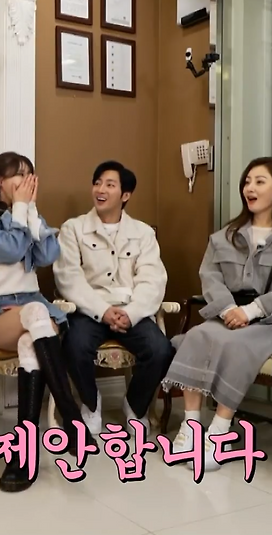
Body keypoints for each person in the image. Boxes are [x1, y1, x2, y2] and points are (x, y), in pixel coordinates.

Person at [162, 157, 272, 473]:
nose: (249, 188)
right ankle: (191, 425)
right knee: (197, 335)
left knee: (236, 345)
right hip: (227, 313)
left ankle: (220, 430)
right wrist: (229, 309)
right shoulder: (225, 235)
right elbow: (210, 277)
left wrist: (252, 311)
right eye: (247, 182)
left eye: (259, 181)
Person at [0, 152, 97, 493]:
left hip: (36, 312)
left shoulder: (24, 213)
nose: (27, 182)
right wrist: (22, 210)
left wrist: (31, 212)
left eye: (30, 174)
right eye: (19, 175)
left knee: (31, 340)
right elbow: (11, 250)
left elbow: (48, 256)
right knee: (35, 316)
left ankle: (24, 454)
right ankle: (71, 417)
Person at [54, 161, 175, 436]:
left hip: (131, 310)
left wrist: (131, 313)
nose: (100, 190)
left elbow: (153, 279)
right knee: (74, 345)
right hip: (89, 310)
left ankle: (135, 406)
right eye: (97, 183)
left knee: (160, 350)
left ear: (125, 195)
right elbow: (68, 277)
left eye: (110, 185)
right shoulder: (73, 229)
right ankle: (91, 403)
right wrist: (103, 310)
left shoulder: (143, 233)